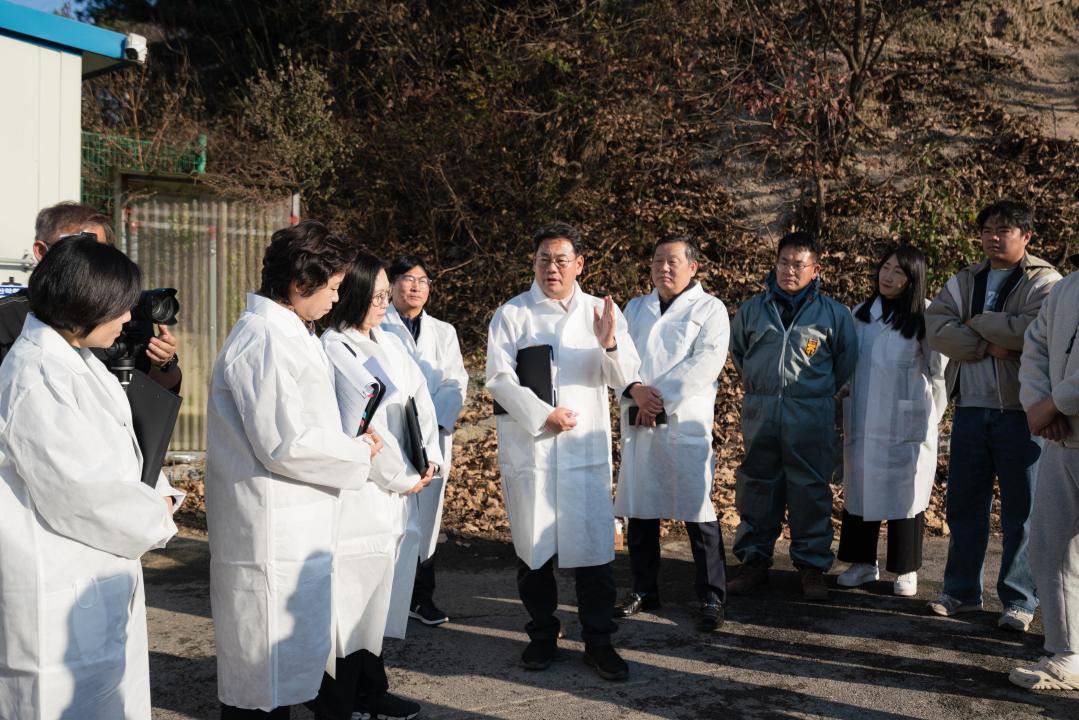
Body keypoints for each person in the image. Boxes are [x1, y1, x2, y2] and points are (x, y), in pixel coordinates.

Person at [0, 236, 184, 719]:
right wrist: (157, 513)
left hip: (94, 570)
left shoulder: (77, 358)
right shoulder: (36, 375)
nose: (128, 318)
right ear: (85, 304)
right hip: (60, 577)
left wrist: (158, 494)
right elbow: (80, 493)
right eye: (119, 307)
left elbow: (123, 452)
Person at [205, 221, 382, 719]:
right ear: (300, 282)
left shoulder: (290, 332)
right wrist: (355, 452)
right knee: (261, 684)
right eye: (332, 287)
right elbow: (284, 442)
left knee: (279, 675)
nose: (337, 299)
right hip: (270, 531)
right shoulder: (264, 337)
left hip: (294, 524)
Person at [486, 221, 640, 681]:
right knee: (534, 553)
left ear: (580, 264)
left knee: (594, 554)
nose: (551, 268)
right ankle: (541, 636)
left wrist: (609, 342)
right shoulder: (512, 314)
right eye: (543, 260)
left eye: (561, 260)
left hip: (583, 451)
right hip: (533, 449)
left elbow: (626, 378)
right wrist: (542, 415)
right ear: (533, 264)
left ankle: (599, 641)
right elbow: (498, 379)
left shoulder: (601, 311)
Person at [313, 251, 441, 720]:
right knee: (349, 607)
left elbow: (420, 401)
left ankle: (371, 688)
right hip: (363, 493)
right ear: (353, 295)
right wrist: (403, 476)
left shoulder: (388, 340)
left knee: (377, 602)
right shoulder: (334, 348)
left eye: (388, 295)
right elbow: (364, 426)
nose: (386, 304)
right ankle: (339, 702)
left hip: (399, 489)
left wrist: (429, 460)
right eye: (378, 296)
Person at [925, 200, 1060, 631]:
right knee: (965, 505)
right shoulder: (966, 278)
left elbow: (1035, 331)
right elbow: (936, 327)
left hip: (1023, 411)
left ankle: (1020, 599)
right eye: (987, 230)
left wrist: (977, 321)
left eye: (1004, 230)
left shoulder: (1045, 281)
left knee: (1024, 510)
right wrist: (988, 344)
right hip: (970, 407)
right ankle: (961, 591)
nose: (993, 237)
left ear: (1027, 236)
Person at [727, 231, 857, 601]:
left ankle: (811, 566)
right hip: (761, 411)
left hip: (811, 414)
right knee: (757, 486)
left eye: (799, 264)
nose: (790, 270)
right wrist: (764, 390)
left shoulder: (834, 314)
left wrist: (814, 395)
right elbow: (739, 353)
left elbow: (845, 364)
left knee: (810, 489)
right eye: (784, 262)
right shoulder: (753, 309)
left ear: (816, 269)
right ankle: (754, 562)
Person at [613, 234, 730, 631]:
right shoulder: (635, 307)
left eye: (673, 261)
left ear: (692, 268)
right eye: (657, 260)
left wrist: (657, 400)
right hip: (639, 417)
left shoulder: (710, 309)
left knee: (697, 508)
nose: (663, 267)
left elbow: (706, 362)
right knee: (640, 507)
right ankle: (643, 588)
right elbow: (618, 357)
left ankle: (712, 594)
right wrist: (635, 391)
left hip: (683, 420)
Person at [836, 245, 947, 597]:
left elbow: (939, 374)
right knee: (860, 489)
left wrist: (931, 418)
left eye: (899, 271)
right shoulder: (860, 314)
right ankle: (862, 563)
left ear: (913, 279)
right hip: (864, 417)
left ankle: (906, 568)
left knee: (906, 492)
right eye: (885, 267)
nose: (888, 276)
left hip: (908, 420)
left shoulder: (926, 316)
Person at [0, 202, 181, 392]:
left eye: (100, 253)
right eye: (79, 250)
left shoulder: (127, 314)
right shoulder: (7, 318)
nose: (91, 264)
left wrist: (163, 364)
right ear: (41, 251)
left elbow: (153, 398)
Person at [382, 254, 469, 626]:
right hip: (391, 432)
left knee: (428, 516)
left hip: (432, 436)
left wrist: (431, 422)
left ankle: (421, 598)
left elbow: (455, 382)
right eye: (408, 279)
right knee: (390, 512)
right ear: (391, 285)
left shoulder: (443, 331)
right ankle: (386, 597)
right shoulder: (378, 325)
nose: (416, 287)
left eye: (423, 280)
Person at [1010, 255, 1079, 691]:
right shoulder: (1067, 288)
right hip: (1062, 440)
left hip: (1062, 421)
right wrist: (1038, 405)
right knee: (1051, 550)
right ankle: (1067, 654)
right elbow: (1035, 347)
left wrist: (1054, 404)